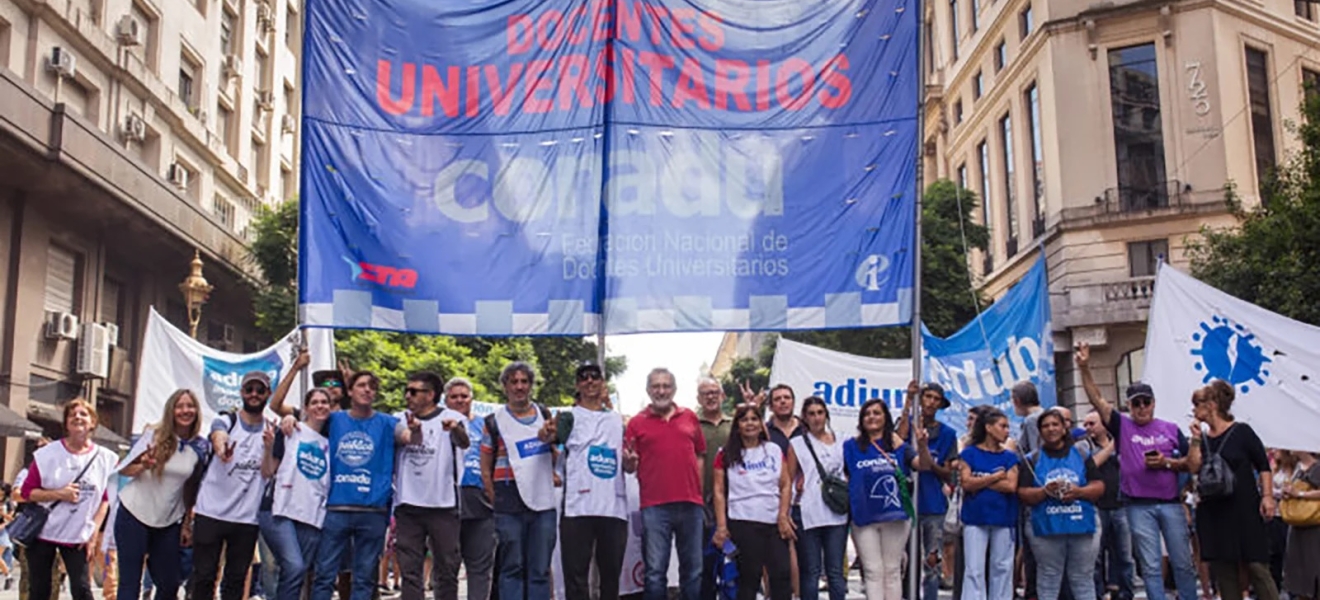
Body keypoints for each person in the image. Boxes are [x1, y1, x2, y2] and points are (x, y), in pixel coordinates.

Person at [1075, 344, 1201, 600]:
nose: (1142, 408)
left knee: (1183, 563)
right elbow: (1096, 399)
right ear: (1129, 405)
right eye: (1136, 403)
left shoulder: (1170, 428)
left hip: (1170, 503)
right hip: (1137, 505)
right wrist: (1084, 367)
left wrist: (1167, 463)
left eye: (1146, 402)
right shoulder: (1122, 425)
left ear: (1154, 403)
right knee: (1151, 566)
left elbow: (1192, 463)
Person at [310, 371, 422, 600]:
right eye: (361, 385)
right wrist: (291, 419)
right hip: (336, 508)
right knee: (324, 574)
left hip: (373, 510)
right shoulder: (334, 419)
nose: (367, 390)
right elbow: (303, 423)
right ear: (350, 391)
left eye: (372, 386)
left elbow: (411, 439)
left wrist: (417, 429)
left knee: (364, 578)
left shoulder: (389, 423)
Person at [623, 368, 707, 600]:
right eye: (656, 386)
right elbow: (629, 466)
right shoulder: (636, 423)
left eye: (666, 386)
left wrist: (697, 487)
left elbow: (701, 453)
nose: (661, 391)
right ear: (648, 390)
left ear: (674, 389)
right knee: (654, 572)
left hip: (691, 504)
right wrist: (629, 463)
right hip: (654, 506)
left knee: (693, 570)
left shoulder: (689, 416)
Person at [1189, 380, 1278, 600]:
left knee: (1257, 566)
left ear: (1212, 404)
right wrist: (1194, 440)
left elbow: (1263, 465)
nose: (1193, 408)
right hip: (1214, 509)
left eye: (1197, 403)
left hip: (1244, 507)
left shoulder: (1242, 432)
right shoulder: (1202, 437)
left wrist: (1267, 496)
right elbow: (1193, 467)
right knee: (1224, 570)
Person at [20, 400, 117, 600]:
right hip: (42, 532)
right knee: (39, 591)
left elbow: (105, 499)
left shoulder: (106, 459)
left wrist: (93, 533)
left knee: (82, 589)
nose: (78, 417)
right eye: (72, 415)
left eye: (83, 414)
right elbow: (27, 492)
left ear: (93, 422)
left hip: (78, 535)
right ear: (66, 423)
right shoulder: (47, 454)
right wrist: (58, 494)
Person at [115, 389, 207, 600]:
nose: (185, 411)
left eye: (190, 406)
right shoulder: (153, 435)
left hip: (167, 521)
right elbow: (123, 468)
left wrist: (186, 524)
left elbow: (191, 489)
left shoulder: (200, 447)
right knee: (130, 584)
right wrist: (143, 465)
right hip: (134, 515)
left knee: (169, 584)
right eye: (180, 406)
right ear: (171, 410)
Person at [191, 372, 275, 600]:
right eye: (249, 390)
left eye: (260, 390)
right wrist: (222, 448)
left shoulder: (270, 430)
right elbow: (217, 435)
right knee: (204, 577)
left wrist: (269, 448)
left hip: (246, 518)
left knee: (236, 581)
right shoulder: (227, 420)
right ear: (242, 393)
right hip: (211, 512)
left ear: (268, 394)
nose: (254, 394)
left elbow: (268, 472)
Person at [481, 362, 557, 600]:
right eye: (514, 382)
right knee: (511, 567)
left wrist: (551, 439)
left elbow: (557, 456)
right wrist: (496, 499)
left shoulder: (545, 415)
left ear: (531, 385)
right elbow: (485, 466)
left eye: (524, 381)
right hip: (508, 501)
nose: (519, 387)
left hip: (542, 502)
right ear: (505, 386)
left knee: (539, 568)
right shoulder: (493, 421)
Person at [552, 362, 628, 600]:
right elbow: (553, 446)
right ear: (577, 385)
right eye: (583, 378)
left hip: (613, 507)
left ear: (603, 383)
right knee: (576, 577)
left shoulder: (618, 420)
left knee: (610, 576)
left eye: (595, 377)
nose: (590, 381)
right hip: (577, 507)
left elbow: (629, 456)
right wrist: (547, 436)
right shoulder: (567, 417)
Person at [392, 371, 469, 600]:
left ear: (431, 394)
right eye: (407, 391)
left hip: (442, 504)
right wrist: (414, 430)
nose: (408, 396)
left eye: (414, 391)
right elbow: (403, 437)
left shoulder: (452, 417)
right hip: (408, 504)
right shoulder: (399, 417)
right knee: (410, 570)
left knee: (447, 568)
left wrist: (455, 428)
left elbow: (464, 442)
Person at [844, 397, 930, 600]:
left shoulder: (898, 445)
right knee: (873, 571)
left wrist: (923, 446)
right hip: (864, 518)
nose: (871, 417)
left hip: (895, 516)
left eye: (877, 413)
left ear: (886, 417)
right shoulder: (850, 447)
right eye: (867, 413)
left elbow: (923, 465)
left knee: (892, 570)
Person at [1017, 409, 1105, 600]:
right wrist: (1045, 491)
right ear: (1040, 431)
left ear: (1065, 428)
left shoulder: (1082, 454)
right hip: (1046, 528)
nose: (1051, 429)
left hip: (1082, 525)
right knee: (1048, 578)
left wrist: (1079, 492)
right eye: (1045, 426)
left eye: (1055, 424)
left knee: (1083, 578)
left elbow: (1098, 486)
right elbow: (1022, 493)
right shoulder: (1032, 459)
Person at [711, 404, 796, 600]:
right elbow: (719, 491)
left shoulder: (773, 450)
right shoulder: (725, 454)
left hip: (774, 523)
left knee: (782, 576)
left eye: (754, 419)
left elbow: (785, 485)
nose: (750, 424)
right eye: (744, 419)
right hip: (743, 522)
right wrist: (722, 527)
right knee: (749, 579)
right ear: (737, 425)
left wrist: (783, 516)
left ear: (761, 423)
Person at [260, 388, 333, 600]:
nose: (320, 406)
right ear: (307, 408)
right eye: (315, 402)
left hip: (312, 516)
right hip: (279, 510)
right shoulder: (291, 431)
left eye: (324, 402)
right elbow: (267, 472)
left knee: (298, 574)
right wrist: (268, 448)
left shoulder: (331, 440)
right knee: (294, 567)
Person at [897, 382, 959, 600]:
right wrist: (907, 402)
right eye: (927, 397)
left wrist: (928, 461)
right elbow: (897, 440)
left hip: (933, 504)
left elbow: (949, 474)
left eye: (936, 399)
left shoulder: (948, 434)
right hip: (906, 504)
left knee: (932, 562)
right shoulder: (909, 426)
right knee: (905, 562)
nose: (931, 402)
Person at [787, 397, 848, 600]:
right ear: (804, 417)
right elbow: (788, 478)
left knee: (835, 572)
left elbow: (849, 472)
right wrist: (785, 512)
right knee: (810, 572)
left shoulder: (842, 439)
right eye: (811, 413)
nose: (816, 417)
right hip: (808, 511)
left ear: (826, 415)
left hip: (837, 512)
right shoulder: (796, 444)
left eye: (820, 412)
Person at [958, 407, 1019, 600]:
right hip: (975, 517)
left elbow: (1011, 485)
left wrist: (981, 480)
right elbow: (966, 483)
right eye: (1003, 426)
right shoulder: (969, 454)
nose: (1007, 431)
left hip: (1004, 517)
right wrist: (994, 477)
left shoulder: (1009, 457)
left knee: (1002, 567)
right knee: (974, 568)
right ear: (989, 428)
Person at [445, 377, 496, 600]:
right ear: (445, 400)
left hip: (480, 502)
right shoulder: (437, 423)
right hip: (446, 503)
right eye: (454, 397)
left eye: (464, 396)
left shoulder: (485, 424)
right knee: (446, 569)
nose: (459, 400)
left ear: (471, 399)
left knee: (480, 568)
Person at [1081, 411, 1132, 600]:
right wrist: (1113, 446)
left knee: (1124, 555)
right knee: (1096, 557)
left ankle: (1125, 593)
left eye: (1092, 423)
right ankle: (1097, 593)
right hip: (1097, 506)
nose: (1088, 428)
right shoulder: (1084, 445)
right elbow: (1090, 465)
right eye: (1085, 424)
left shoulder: (1124, 443)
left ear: (1104, 424)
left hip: (1121, 505)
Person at [695, 378, 732, 600]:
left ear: (722, 395)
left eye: (714, 392)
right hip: (700, 505)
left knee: (732, 566)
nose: (710, 396)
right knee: (704, 567)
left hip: (733, 503)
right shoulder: (691, 424)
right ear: (698, 398)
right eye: (705, 393)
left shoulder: (734, 424)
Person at [1282, 451, 1320, 600]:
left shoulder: (1317, 467)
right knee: (1300, 569)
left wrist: (1300, 494)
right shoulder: (1299, 468)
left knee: (1313, 566)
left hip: (1314, 525)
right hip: (1298, 525)